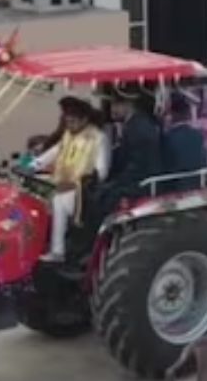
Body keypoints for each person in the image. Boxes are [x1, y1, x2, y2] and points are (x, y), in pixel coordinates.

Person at [35, 98, 110, 261]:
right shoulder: (69, 134)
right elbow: (53, 153)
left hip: (85, 192)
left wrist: (83, 181)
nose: (69, 126)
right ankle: (51, 249)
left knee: (59, 201)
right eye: (67, 122)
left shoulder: (98, 138)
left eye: (73, 122)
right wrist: (32, 164)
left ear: (85, 119)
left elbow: (102, 171)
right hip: (63, 186)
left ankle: (58, 251)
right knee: (47, 200)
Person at [107, 92, 163, 197]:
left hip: (141, 184)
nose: (112, 109)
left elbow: (138, 165)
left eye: (116, 105)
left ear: (129, 104)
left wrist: (114, 181)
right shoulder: (135, 124)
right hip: (136, 180)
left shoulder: (138, 128)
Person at [160, 94, 207, 193]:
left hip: (174, 188)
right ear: (188, 114)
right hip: (197, 185)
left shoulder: (166, 138)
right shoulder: (198, 135)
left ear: (172, 114)